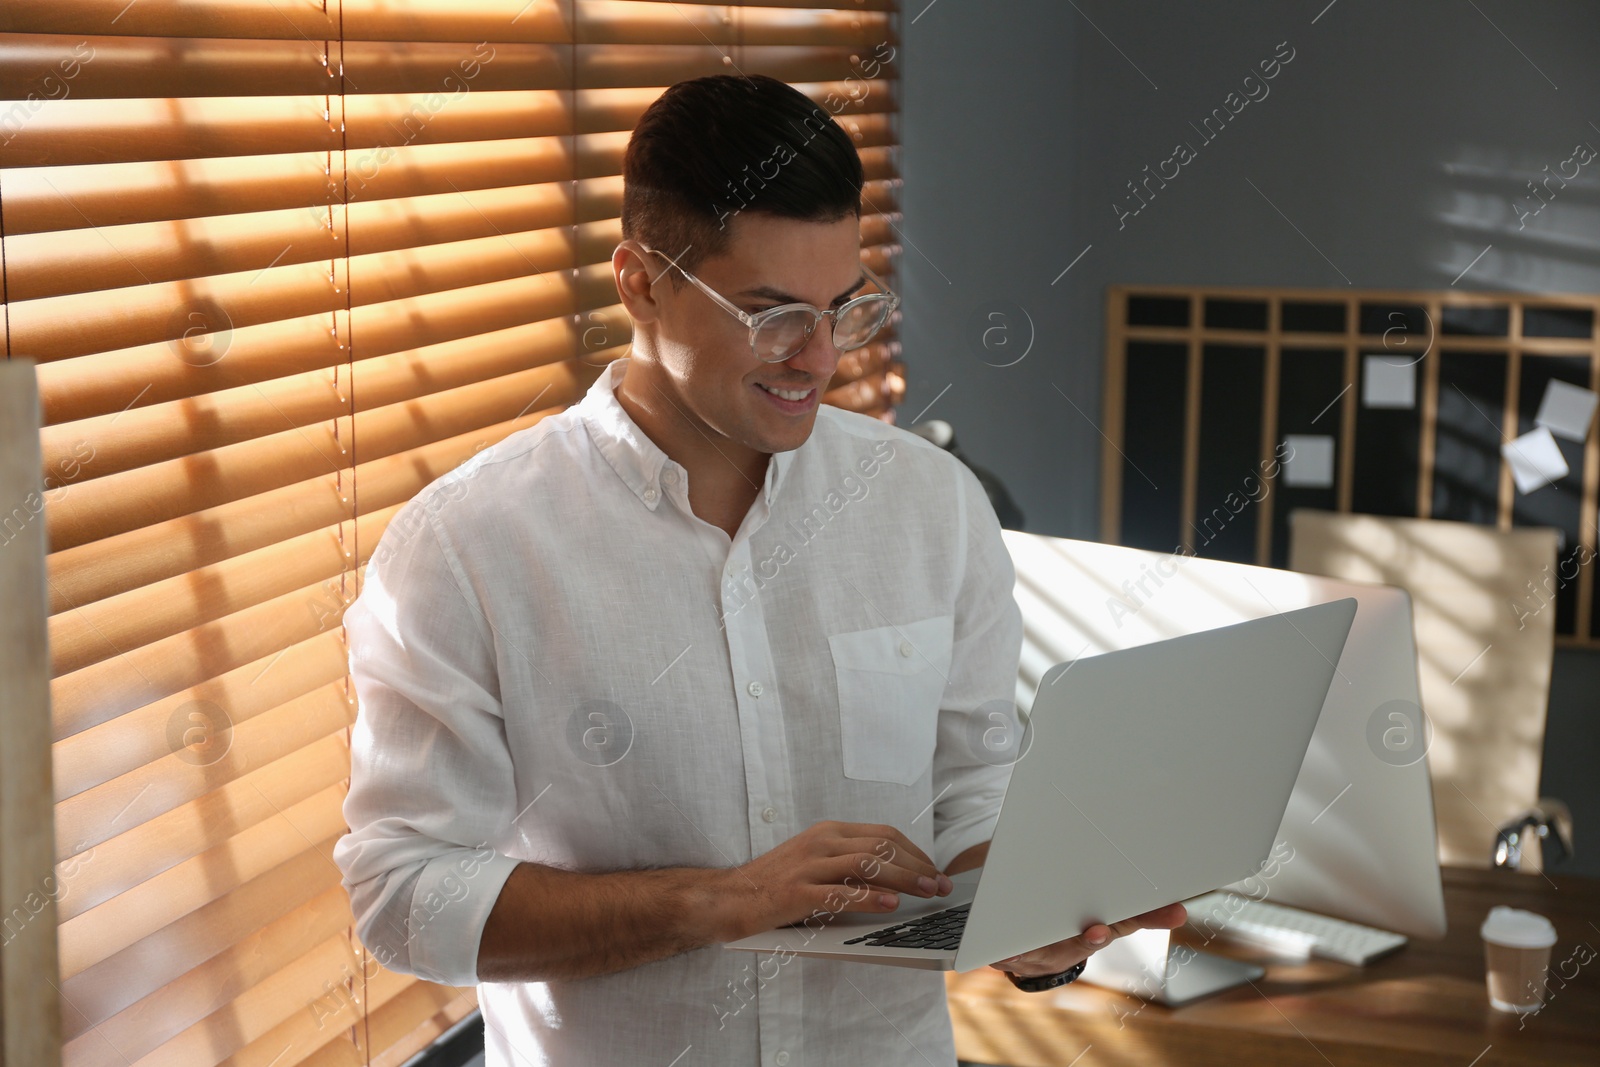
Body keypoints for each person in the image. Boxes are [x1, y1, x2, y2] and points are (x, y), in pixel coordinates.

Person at [333, 73, 1185, 1066]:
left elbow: (972, 794)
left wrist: (1032, 922)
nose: (818, 357)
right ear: (639, 282)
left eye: (842, 306)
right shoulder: (466, 546)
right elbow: (399, 897)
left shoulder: (931, 505)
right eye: (770, 312)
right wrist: (721, 900)